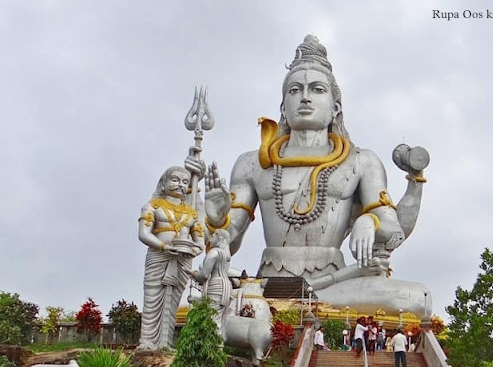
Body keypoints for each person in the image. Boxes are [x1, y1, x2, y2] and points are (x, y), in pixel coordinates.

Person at [192, 35, 431, 317]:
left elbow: (394, 229)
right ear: (283, 107)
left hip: (334, 284)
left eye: (316, 89)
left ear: (335, 107)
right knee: (208, 296)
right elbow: (226, 241)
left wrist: (370, 220)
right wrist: (214, 220)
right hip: (267, 284)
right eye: (295, 90)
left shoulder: (361, 161)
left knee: (414, 298)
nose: (304, 97)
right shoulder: (252, 164)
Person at [138, 166, 205, 349]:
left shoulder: (191, 213)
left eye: (185, 182)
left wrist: (192, 251)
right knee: (152, 298)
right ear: (163, 182)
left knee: (173, 302)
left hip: (182, 261)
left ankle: (165, 342)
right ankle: (147, 341)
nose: (180, 185)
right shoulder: (153, 206)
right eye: (175, 180)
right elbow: (144, 234)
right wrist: (163, 246)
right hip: (158, 256)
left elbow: (200, 242)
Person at [192, 228, 233, 336]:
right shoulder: (226, 255)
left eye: (213, 236)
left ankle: (213, 346)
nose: (210, 239)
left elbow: (204, 275)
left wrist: (191, 273)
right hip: (226, 286)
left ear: (220, 239)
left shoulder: (214, 253)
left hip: (216, 286)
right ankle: (218, 346)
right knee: (220, 319)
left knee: (211, 318)